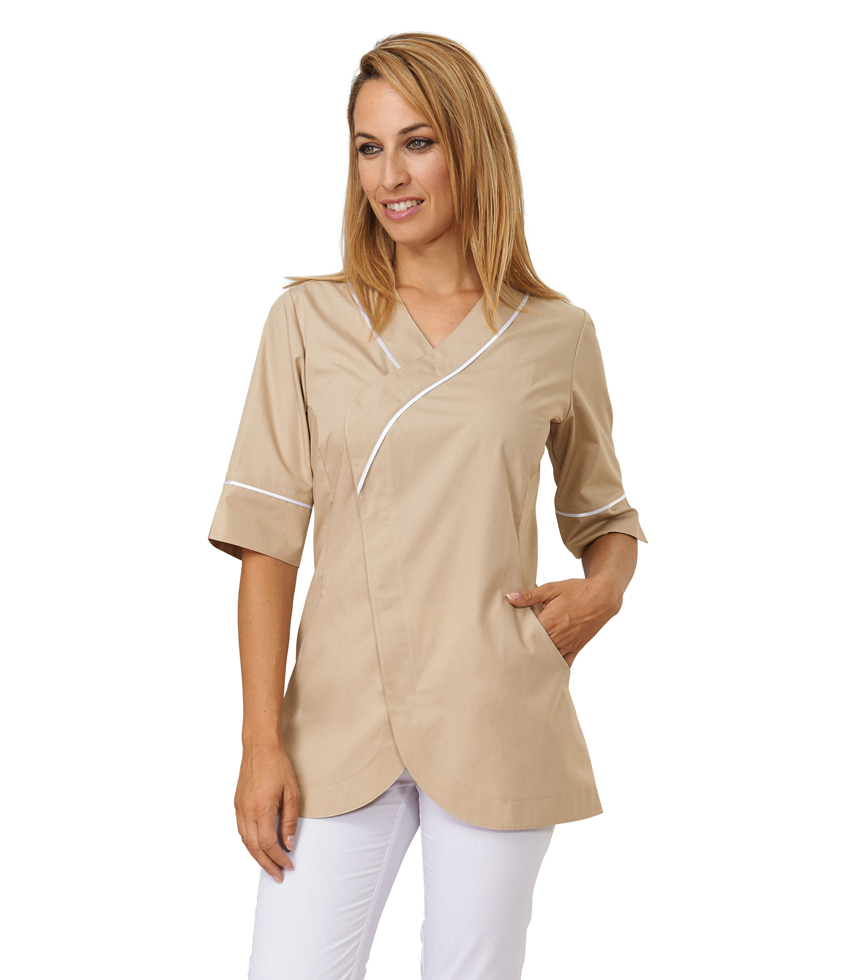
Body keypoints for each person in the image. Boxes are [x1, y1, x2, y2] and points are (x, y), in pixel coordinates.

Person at [208, 31, 648, 980]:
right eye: (368, 148)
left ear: (470, 147)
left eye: (417, 142)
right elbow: (267, 542)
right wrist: (258, 743)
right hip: (334, 723)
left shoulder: (556, 334)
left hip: (494, 707)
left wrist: (604, 590)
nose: (389, 176)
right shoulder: (307, 321)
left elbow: (605, 515)